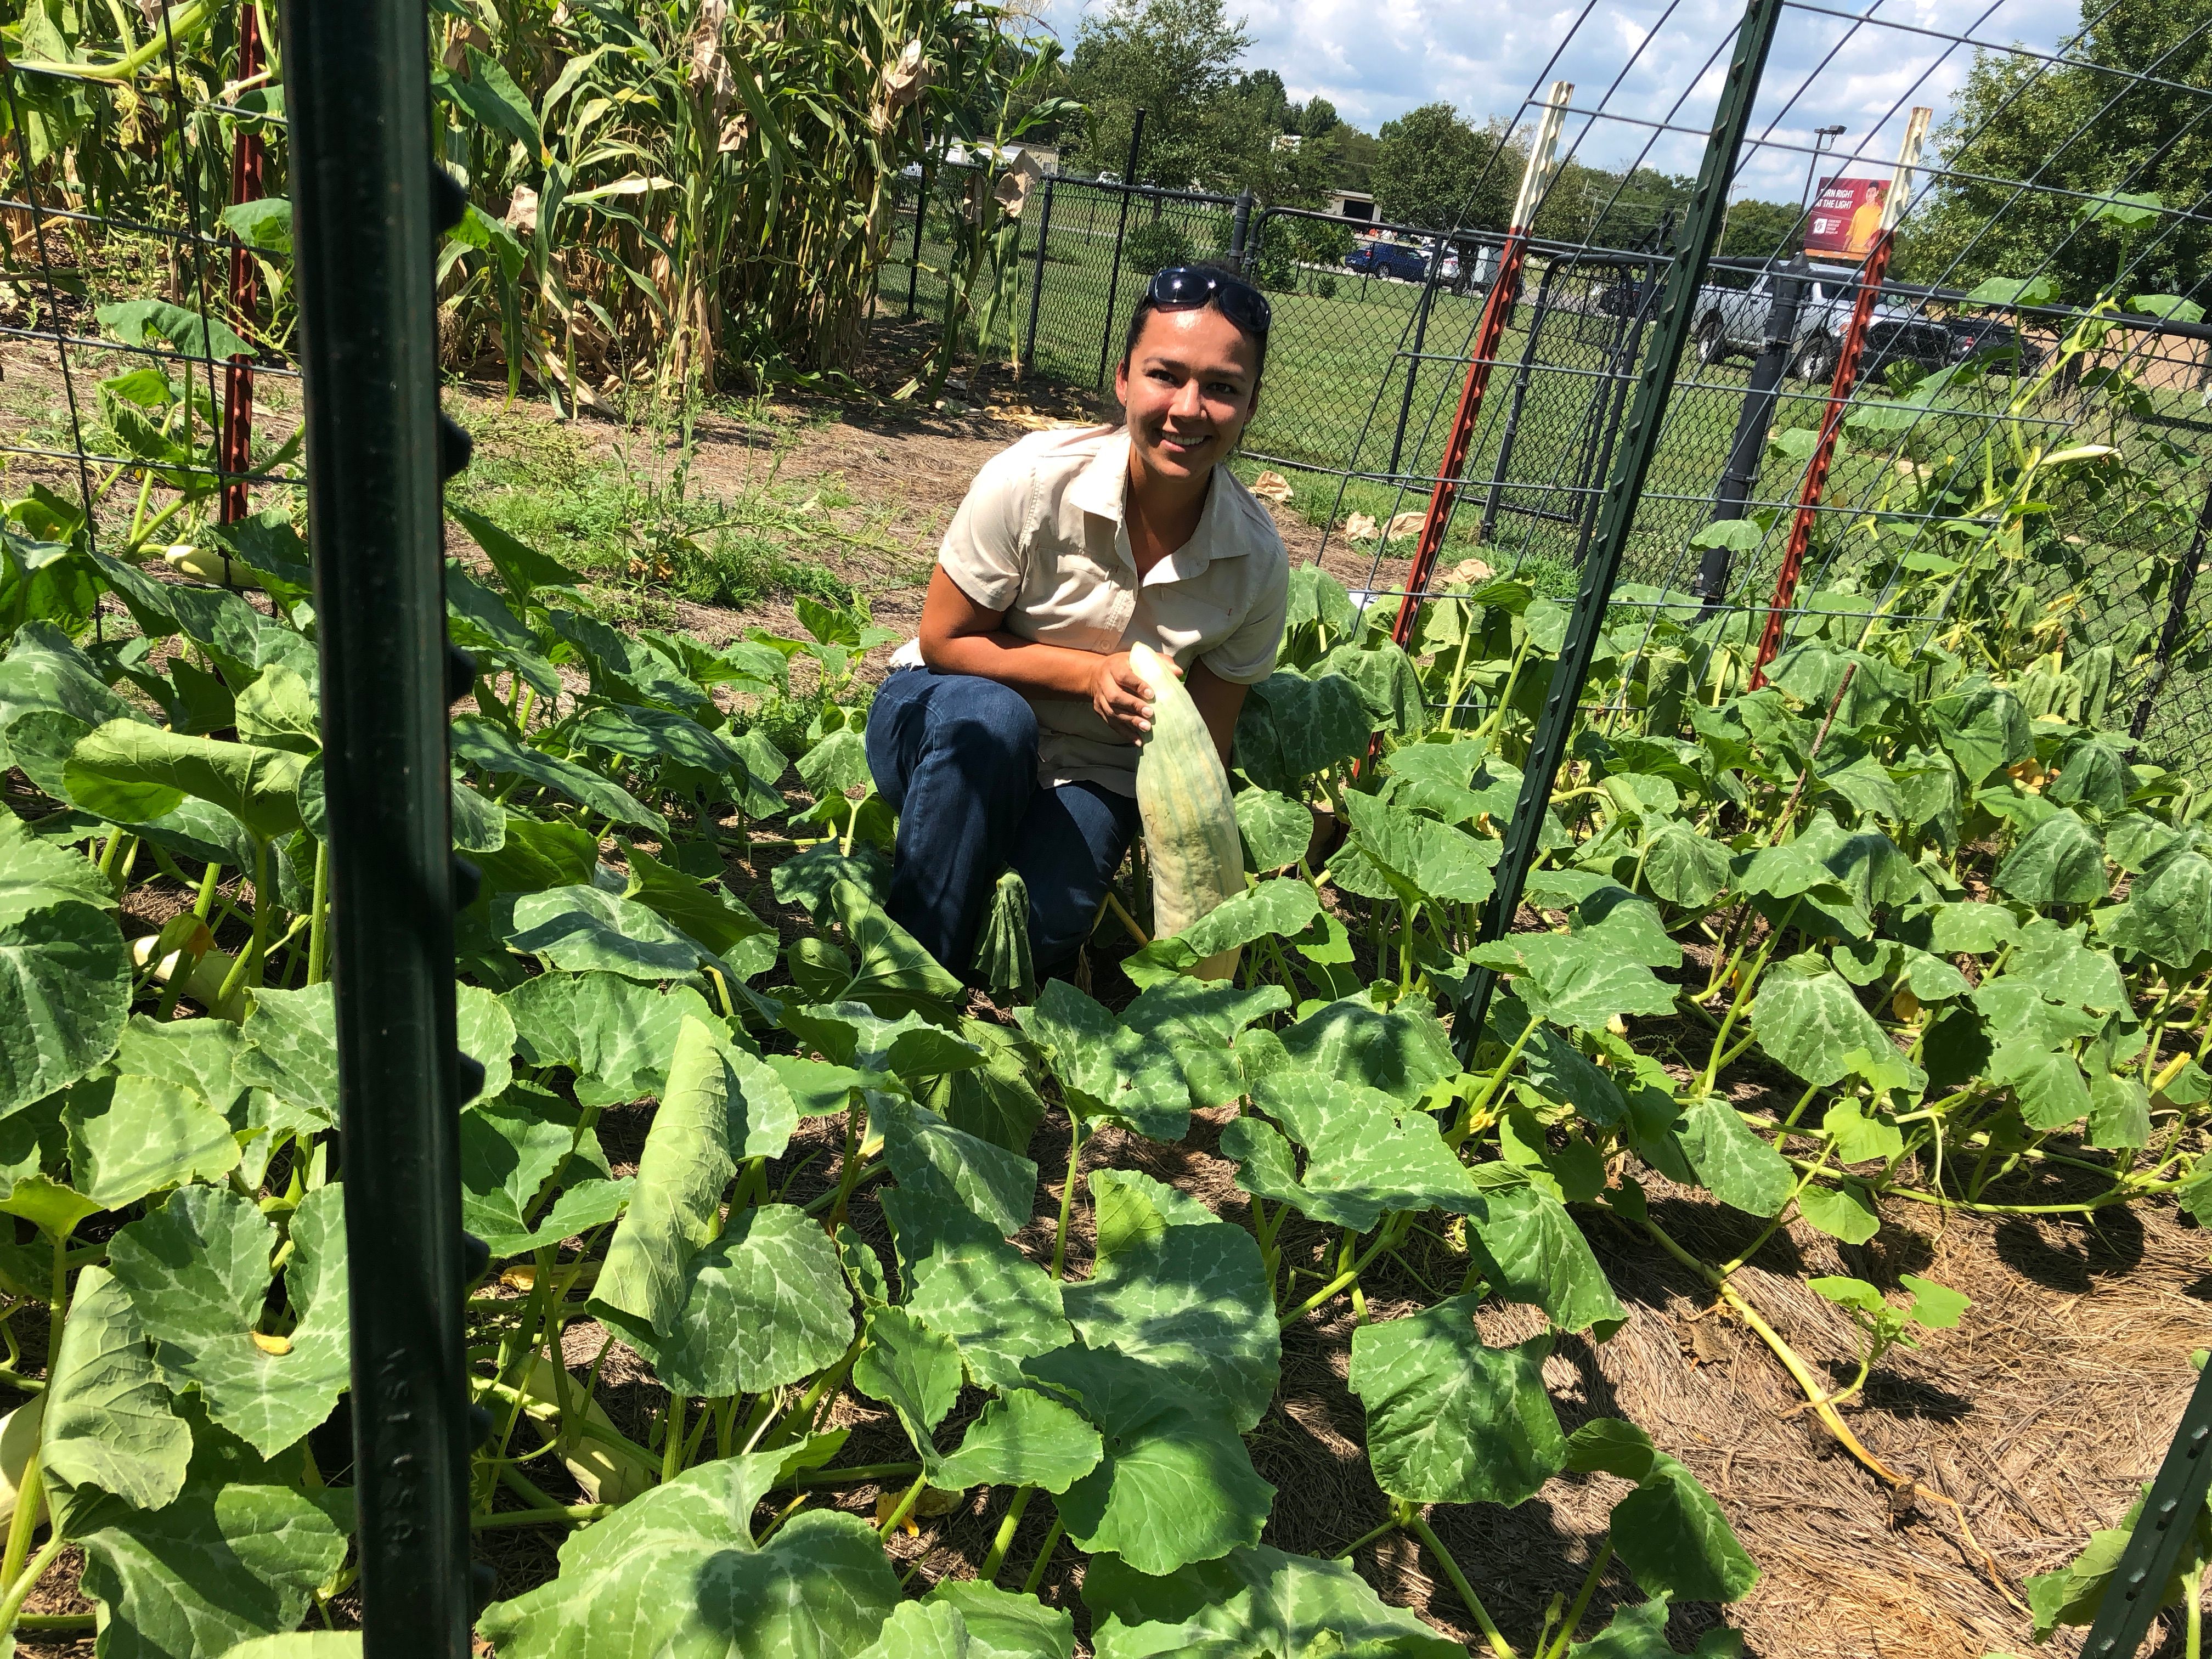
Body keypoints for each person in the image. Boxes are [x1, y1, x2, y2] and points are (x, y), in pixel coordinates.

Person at [865, 264, 1290, 980]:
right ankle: (903, 982)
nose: (1189, 408)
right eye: (1166, 375)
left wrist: (1194, 909)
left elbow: (1206, 754)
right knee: (996, 728)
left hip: (1099, 770)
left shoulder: (1256, 562)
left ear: (1249, 408)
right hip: (948, 715)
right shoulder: (1030, 481)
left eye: (1222, 388)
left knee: (1035, 933)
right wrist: (1092, 675)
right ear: (1125, 380)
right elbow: (945, 639)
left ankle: (975, 929)